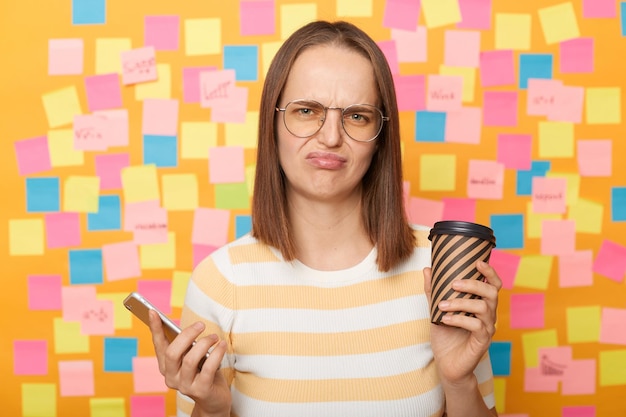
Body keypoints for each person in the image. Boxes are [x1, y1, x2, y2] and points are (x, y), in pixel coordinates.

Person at [149, 20, 502, 417]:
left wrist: (459, 383)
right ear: (273, 124)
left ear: (381, 136)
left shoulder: (441, 267)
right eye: (306, 110)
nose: (331, 136)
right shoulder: (221, 281)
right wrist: (212, 410)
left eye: (357, 117)